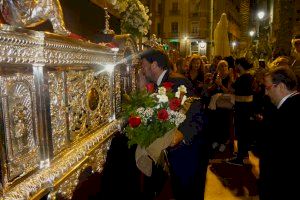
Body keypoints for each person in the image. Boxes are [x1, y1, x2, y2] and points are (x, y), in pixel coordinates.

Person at [140, 48, 209, 200]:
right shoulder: (162, 83)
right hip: (179, 154)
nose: (142, 70)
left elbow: (195, 110)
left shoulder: (177, 82)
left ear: (154, 65)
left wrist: (181, 135)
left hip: (189, 153)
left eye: (143, 65)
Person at [259, 67, 300, 200]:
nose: (266, 93)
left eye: (268, 88)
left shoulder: (283, 115)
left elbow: (275, 159)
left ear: (281, 86)